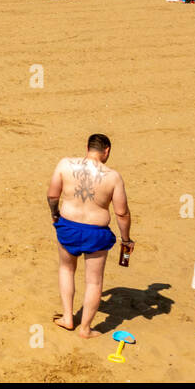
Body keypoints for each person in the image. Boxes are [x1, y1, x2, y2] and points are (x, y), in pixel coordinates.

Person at [46, 134, 133, 338]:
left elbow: (52, 195)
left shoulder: (65, 164)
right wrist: (126, 239)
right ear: (107, 151)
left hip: (68, 226)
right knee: (94, 281)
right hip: (96, 232)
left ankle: (68, 317)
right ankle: (85, 328)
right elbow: (121, 213)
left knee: (66, 269)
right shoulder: (113, 176)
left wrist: (55, 215)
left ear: (87, 147)